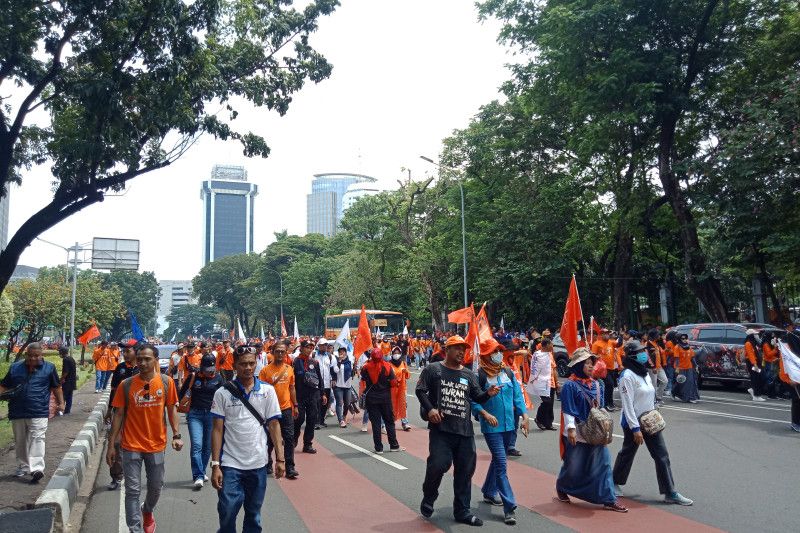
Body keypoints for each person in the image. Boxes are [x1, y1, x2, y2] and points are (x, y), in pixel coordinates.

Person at [416, 335, 501, 526]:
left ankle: (462, 511)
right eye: (458, 348)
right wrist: (430, 409)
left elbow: (477, 396)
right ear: (447, 350)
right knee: (438, 465)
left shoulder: (469, 374)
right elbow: (420, 390)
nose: (462, 352)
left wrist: (488, 393)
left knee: (465, 471)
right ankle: (429, 496)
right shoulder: (433, 369)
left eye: (464, 349)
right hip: (441, 431)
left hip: (464, 432)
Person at [107, 343, 183, 533]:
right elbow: (118, 415)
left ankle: (147, 510)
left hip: (156, 445)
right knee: (132, 491)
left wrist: (177, 434)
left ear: (156, 360)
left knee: (156, 487)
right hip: (131, 445)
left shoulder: (166, 382)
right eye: (139, 359)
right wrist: (111, 445)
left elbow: (172, 409)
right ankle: (135, 529)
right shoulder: (127, 385)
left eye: (147, 359)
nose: (142, 362)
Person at [211, 346, 285, 533]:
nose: (248, 367)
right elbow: (217, 430)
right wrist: (215, 465)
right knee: (227, 511)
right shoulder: (223, 393)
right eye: (243, 364)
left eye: (252, 363)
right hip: (230, 464)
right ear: (234, 365)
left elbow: (274, 425)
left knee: (253, 514)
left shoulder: (267, 391)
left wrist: (280, 459)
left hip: (258, 463)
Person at [612, 341, 693, 506]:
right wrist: (635, 429)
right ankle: (613, 483)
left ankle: (670, 492)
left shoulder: (645, 373)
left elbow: (649, 396)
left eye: (645, 351)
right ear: (632, 355)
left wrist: (655, 415)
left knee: (662, 455)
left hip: (649, 422)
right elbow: (627, 405)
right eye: (641, 351)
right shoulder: (627, 376)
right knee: (627, 454)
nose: (645, 354)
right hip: (632, 423)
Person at [556, 347, 627, 512]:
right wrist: (571, 429)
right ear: (578, 365)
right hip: (577, 432)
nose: (590, 366)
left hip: (595, 432)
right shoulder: (569, 386)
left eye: (591, 363)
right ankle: (562, 485)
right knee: (574, 465)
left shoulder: (597, 384)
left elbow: (600, 407)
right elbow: (568, 409)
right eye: (586, 363)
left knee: (604, 463)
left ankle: (609, 499)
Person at [472, 338, 528, 525]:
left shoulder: (507, 372)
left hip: (509, 425)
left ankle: (489, 491)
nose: (498, 354)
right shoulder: (479, 375)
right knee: (502, 464)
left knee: (498, 459)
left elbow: (517, 396)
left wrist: (525, 415)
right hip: (491, 427)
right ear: (486, 355)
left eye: (499, 351)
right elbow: (472, 400)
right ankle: (509, 506)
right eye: (494, 351)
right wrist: (484, 413)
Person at [0, 343, 64, 483]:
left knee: (38, 438)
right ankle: (23, 466)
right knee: (21, 441)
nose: (33, 358)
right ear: (26, 354)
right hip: (17, 410)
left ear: (41, 355)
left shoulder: (49, 368)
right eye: (30, 355)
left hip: (38, 410)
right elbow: (4, 385)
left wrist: (61, 403)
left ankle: (36, 469)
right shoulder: (15, 368)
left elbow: (56, 387)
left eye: (36, 355)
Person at [180, 352, 224, 489]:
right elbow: (181, 393)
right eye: (206, 371)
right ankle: (198, 476)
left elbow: (224, 396)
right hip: (195, 414)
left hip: (212, 415)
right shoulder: (193, 377)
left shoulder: (218, 378)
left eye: (211, 370)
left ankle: (202, 470)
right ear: (201, 368)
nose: (209, 373)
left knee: (207, 447)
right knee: (197, 445)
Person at [258, 341, 300, 479]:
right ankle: (268, 463)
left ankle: (290, 467)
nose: (280, 354)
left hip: (286, 409)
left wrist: (295, 405)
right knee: (270, 439)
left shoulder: (289, 369)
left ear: (286, 352)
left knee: (289, 438)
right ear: (273, 352)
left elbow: (292, 388)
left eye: (283, 351)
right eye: (278, 351)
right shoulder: (265, 371)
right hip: (270, 410)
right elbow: (261, 392)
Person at [106, 341, 140, 491]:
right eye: (124, 351)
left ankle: (136, 474)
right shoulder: (119, 368)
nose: (125, 354)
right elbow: (113, 390)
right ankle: (116, 476)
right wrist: (109, 409)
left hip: (139, 413)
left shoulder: (142, 368)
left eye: (128, 351)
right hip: (120, 411)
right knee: (117, 443)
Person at [361, 348, 405, 454]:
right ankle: (394, 445)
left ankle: (378, 448)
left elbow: (363, 378)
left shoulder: (366, 367)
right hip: (385, 398)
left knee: (376, 424)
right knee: (389, 422)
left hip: (371, 398)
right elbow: (394, 383)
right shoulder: (387, 366)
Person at [292, 339, 325, 453]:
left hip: (313, 395)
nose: (309, 349)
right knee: (299, 419)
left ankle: (307, 444)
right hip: (300, 395)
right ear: (301, 348)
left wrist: (323, 393)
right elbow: (292, 381)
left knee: (312, 419)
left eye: (311, 347)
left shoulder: (314, 362)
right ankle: (294, 438)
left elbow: (319, 379)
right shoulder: (295, 362)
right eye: (307, 347)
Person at [529, 338, 558, 430]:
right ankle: (538, 419)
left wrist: (557, 382)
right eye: (551, 344)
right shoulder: (537, 355)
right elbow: (534, 369)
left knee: (550, 404)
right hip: (541, 383)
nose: (552, 346)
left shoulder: (550, 355)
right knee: (546, 402)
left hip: (551, 382)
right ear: (546, 345)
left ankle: (548, 423)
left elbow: (553, 368)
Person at [591, 331, 620, 411]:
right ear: (601, 335)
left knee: (610, 386)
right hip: (602, 369)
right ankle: (607, 404)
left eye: (608, 333)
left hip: (611, 368)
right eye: (605, 333)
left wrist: (620, 336)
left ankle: (609, 403)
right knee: (609, 384)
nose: (607, 335)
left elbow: (619, 344)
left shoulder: (611, 342)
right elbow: (593, 355)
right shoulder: (597, 344)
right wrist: (598, 356)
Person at [671, 334, 700, 403]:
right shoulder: (677, 347)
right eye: (683, 339)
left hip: (689, 367)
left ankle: (690, 398)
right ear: (679, 339)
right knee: (681, 383)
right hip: (680, 368)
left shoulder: (688, 347)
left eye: (685, 338)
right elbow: (677, 359)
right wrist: (677, 368)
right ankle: (674, 393)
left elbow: (692, 357)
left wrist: (696, 366)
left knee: (690, 382)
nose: (684, 340)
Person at [330, 345, 354, 427]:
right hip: (338, 386)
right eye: (340, 352)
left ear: (346, 353)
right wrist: (339, 361)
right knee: (339, 403)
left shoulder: (350, 361)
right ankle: (341, 420)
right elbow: (336, 370)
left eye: (343, 352)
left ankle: (344, 416)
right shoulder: (336, 361)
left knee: (347, 403)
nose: (342, 353)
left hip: (347, 386)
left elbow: (352, 372)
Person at [389, 346, 412, 431]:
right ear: (392, 354)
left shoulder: (403, 363)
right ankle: (391, 422)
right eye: (395, 353)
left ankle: (405, 423)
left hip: (402, 388)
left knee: (403, 405)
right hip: (392, 389)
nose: (396, 355)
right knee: (392, 405)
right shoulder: (389, 364)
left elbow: (408, 376)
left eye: (398, 353)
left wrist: (406, 372)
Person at [645, 329, 668, 405]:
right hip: (652, 367)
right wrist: (653, 366)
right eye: (658, 335)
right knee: (653, 384)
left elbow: (661, 352)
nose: (659, 336)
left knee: (665, 381)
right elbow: (648, 356)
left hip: (659, 366)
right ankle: (653, 400)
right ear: (654, 335)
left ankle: (658, 397)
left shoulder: (657, 343)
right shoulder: (647, 344)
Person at [315, 339, 333, 429]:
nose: (325, 346)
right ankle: (316, 422)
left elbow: (332, 369)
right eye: (322, 345)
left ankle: (322, 420)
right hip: (316, 384)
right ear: (318, 346)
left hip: (327, 384)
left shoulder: (330, 356)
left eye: (326, 345)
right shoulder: (314, 355)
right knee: (317, 402)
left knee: (325, 403)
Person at [744, 329, 766, 402]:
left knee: (758, 377)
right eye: (755, 334)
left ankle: (753, 390)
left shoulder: (754, 343)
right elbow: (751, 355)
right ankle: (756, 396)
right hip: (752, 363)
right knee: (756, 378)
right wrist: (755, 364)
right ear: (751, 335)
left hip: (756, 362)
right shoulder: (748, 343)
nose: (756, 335)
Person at [59, 346, 77, 415]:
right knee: (69, 397)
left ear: (62, 352)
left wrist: (61, 379)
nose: (59, 353)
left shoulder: (65, 359)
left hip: (67, 382)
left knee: (63, 396)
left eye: (60, 352)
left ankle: (61, 411)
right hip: (72, 381)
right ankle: (67, 411)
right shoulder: (71, 358)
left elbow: (66, 372)